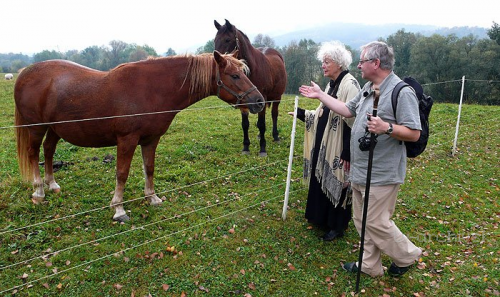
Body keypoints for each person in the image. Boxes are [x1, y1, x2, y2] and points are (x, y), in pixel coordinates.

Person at [299, 41, 422, 277]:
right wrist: (320, 95)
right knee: (361, 219)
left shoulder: (401, 91)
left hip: (382, 172)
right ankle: (369, 265)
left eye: (362, 61)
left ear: (376, 63)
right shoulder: (368, 87)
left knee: (375, 222)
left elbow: (414, 133)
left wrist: (387, 128)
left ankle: (406, 255)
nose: (358, 65)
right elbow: (346, 110)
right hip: (360, 168)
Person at [290, 41, 360, 242]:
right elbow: (323, 112)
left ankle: (337, 225)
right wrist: (302, 114)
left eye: (327, 61)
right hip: (325, 142)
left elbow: (353, 121)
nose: (323, 65)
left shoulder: (350, 84)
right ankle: (320, 218)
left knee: (338, 181)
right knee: (321, 177)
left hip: (340, 145)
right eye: (323, 61)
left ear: (338, 63)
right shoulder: (331, 84)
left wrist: (348, 152)